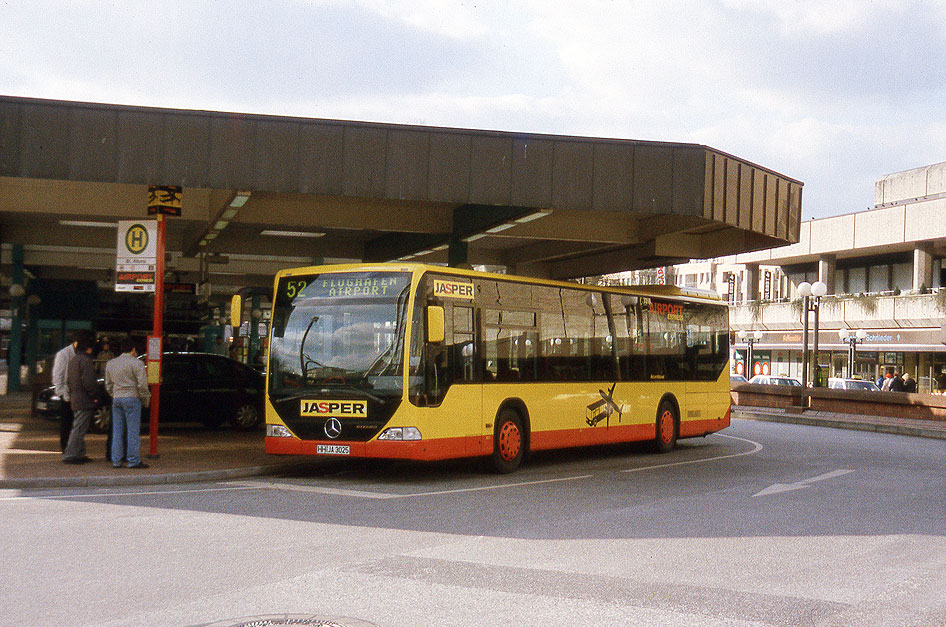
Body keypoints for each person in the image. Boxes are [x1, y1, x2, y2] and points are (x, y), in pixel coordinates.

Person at [104, 337, 151, 469]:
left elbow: (108, 384)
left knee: (117, 431)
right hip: (132, 398)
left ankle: (116, 460)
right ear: (133, 349)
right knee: (132, 431)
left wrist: (114, 394)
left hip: (117, 398)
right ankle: (133, 460)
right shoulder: (137, 364)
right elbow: (142, 385)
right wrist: (145, 398)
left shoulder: (111, 363)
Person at [62, 331, 99, 464]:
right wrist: (94, 395)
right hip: (84, 398)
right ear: (89, 348)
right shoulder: (86, 361)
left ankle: (79, 453)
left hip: (75, 397)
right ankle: (70, 454)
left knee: (80, 426)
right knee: (79, 427)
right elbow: (89, 382)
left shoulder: (73, 360)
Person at [51, 333, 79, 451]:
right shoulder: (63, 354)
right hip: (67, 395)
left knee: (76, 424)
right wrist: (62, 393)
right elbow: (58, 376)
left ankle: (73, 449)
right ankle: (66, 449)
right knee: (67, 424)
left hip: (77, 395)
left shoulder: (79, 353)